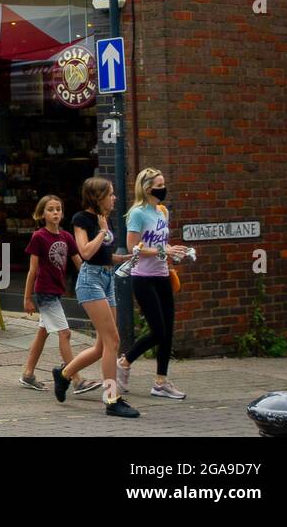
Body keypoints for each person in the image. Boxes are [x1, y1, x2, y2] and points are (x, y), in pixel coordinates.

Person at [52, 177, 139, 418]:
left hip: (107, 278)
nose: (115, 198)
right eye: (110, 194)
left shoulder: (104, 219)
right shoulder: (81, 219)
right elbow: (86, 252)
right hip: (90, 282)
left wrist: (120, 259)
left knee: (103, 346)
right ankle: (112, 399)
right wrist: (102, 232)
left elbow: (102, 255)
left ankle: (63, 375)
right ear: (97, 197)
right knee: (113, 341)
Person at [117, 167, 189, 400]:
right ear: (148, 188)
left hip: (162, 275)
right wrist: (162, 249)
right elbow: (133, 248)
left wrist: (173, 253)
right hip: (143, 277)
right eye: (159, 184)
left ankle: (161, 382)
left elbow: (161, 246)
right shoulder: (137, 213)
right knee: (158, 330)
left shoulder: (162, 212)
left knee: (168, 331)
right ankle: (125, 361)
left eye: (163, 183)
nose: (163, 188)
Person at [20, 195, 99, 395]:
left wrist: (92, 279)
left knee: (43, 333)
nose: (55, 213)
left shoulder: (66, 237)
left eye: (58, 209)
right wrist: (27, 298)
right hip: (44, 292)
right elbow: (33, 270)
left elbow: (79, 263)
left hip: (56, 291)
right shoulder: (39, 237)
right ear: (42, 214)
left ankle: (28, 374)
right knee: (65, 333)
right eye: (51, 209)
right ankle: (76, 379)